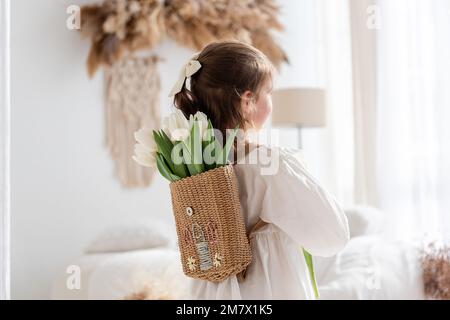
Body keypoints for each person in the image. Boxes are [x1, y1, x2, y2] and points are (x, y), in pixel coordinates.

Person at [170, 40, 350, 299]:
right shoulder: (270, 164)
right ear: (248, 102)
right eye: (270, 93)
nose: (272, 101)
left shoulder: (190, 167)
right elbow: (333, 236)